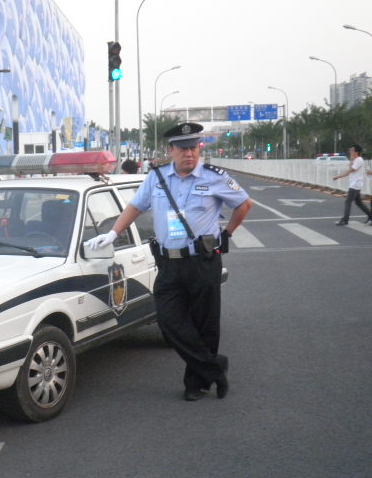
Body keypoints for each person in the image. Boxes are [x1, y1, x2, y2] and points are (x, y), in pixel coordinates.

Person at [86, 122, 253, 401]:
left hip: (202, 260)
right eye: (183, 148)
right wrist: (113, 233)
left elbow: (244, 204)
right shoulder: (157, 178)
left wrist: (227, 233)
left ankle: (195, 383)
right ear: (171, 150)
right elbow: (135, 206)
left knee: (205, 324)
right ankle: (214, 367)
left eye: (194, 148)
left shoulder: (214, 177)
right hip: (168, 263)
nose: (190, 154)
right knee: (169, 321)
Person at [333, 144, 372, 226]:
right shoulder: (356, 160)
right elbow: (351, 167)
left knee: (348, 202)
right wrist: (351, 159)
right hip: (355, 184)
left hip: (355, 184)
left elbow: (350, 171)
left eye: (352, 150)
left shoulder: (359, 160)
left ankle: (345, 219)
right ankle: (370, 216)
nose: (350, 151)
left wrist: (338, 176)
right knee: (358, 202)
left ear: (356, 152)